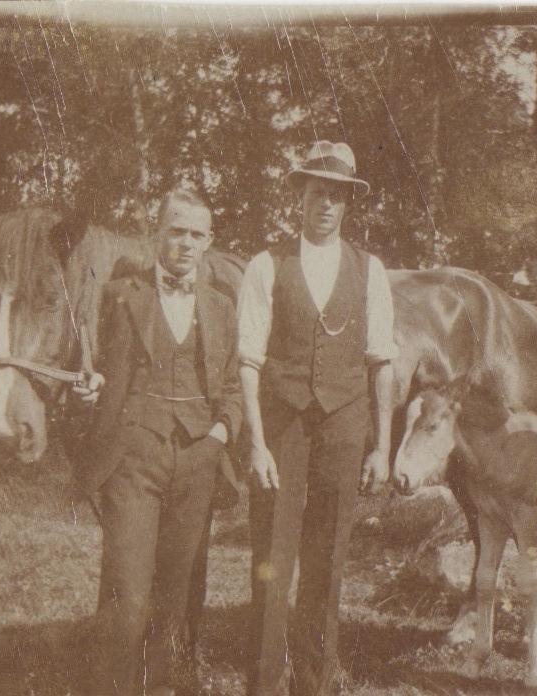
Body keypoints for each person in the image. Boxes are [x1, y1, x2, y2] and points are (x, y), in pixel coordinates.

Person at [237, 141, 398, 696]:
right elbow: (248, 363)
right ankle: (264, 679)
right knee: (273, 553)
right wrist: (256, 444)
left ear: (348, 204)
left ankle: (315, 679)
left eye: (335, 196)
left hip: (344, 423)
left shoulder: (369, 269)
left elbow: (382, 362)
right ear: (299, 199)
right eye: (315, 194)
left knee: (327, 557)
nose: (324, 205)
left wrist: (382, 446)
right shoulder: (267, 265)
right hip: (282, 423)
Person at [73, 189, 243, 696]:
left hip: (197, 458)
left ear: (209, 242)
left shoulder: (221, 307)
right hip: (134, 458)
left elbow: (232, 387)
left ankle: (166, 687)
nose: (186, 243)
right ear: (157, 236)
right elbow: (101, 370)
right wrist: (92, 387)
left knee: (176, 596)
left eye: (197, 234)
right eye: (176, 231)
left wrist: (220, 434)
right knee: (127, 592)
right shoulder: (122, 295)